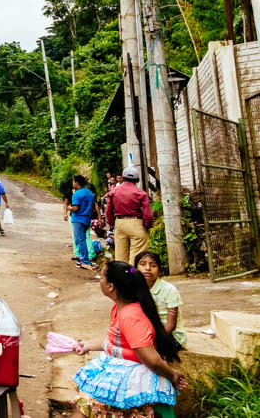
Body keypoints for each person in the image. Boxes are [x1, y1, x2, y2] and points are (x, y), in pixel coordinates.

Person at [72, 261, 187, 417]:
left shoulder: (131, 316)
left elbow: (152, 360)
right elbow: (115, 341)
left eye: (102, 278)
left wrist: (172, 375)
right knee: (84, 404)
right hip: (122, 374)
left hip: (133, 381)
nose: (100, 281)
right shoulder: (120, 308)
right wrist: (88, 345)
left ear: (110, 286)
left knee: (85, 404)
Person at [134, 251, 186, 350]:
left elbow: (171, 325)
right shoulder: (133, 289)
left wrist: (151, 340)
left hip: (170, 336)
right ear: (135, 268)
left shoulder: (169, 290)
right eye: (142, 264)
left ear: (160, 271)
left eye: (153, 265)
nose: (148, 268)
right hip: (146, 334)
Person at [106, 167, 153, 264]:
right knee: (137, 257)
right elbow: (147, 214)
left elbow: (108, 212)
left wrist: (113, 223)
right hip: (136, 223)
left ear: (122, 178)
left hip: (119, 223)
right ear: (137, 180)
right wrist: (147, 226)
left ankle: (121, 277)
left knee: (120, 256)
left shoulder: (114, 192)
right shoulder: (141, 193)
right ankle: (133, 275)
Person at [65, 175, 98, 271]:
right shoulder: (90, 193)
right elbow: (93, 205)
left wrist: (69, 208)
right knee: (83, 239)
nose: (73, 184)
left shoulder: (77, 194)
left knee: (80, 240)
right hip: (87, 219)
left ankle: (85, 261)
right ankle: (84, 259)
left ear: (77, 182)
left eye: (73, 182)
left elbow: (75, 208)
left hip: (78, 219)